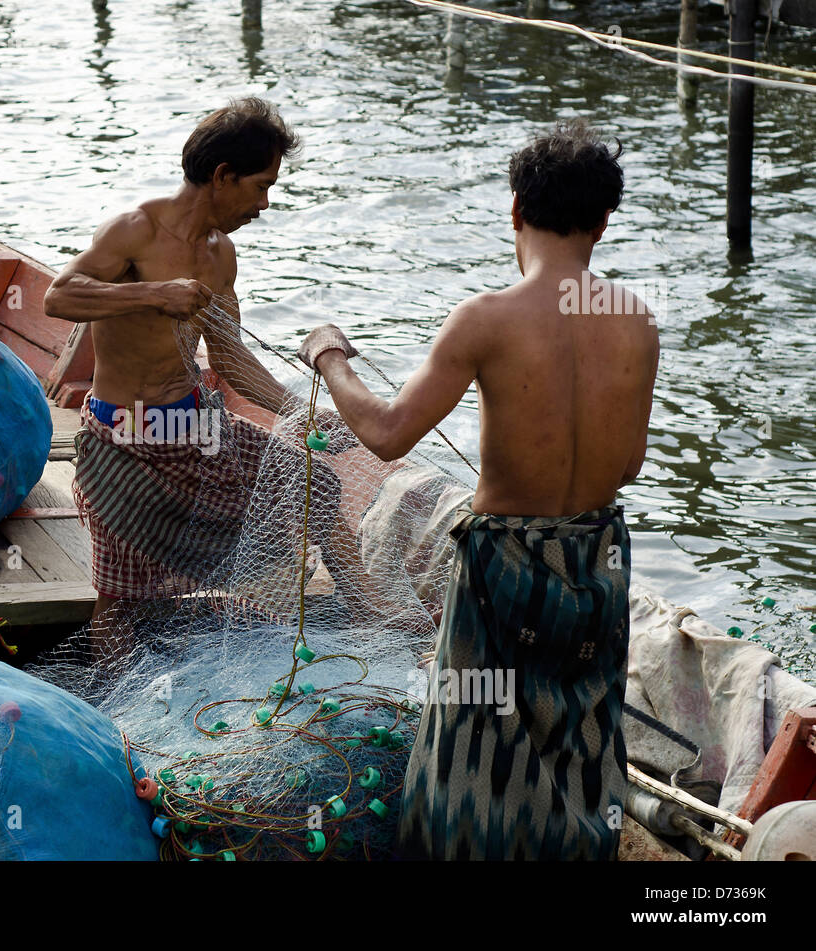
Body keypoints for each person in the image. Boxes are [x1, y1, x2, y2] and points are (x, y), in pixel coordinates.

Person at [299, 119, 659, 860]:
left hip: (505, 571)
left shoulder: (486, 318)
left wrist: (331, 357)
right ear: (603, 221)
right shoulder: (636, 322)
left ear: (516, 210)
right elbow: (628, 466)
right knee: (579, 737)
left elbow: (390, 432)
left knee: (471, 741)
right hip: (596, 563)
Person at [44, 98, 359, 656]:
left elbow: (230, 360)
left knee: (318, 486)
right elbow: (58, 296)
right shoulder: (134, 230)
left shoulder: (220, 254)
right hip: (125, 440)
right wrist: (153, 293)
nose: (264, 203)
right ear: (221, 176)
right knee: (121, 598)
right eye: (260, 186)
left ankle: (371, 626)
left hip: (197, 430)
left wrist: (299, 413)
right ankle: (119, 718)